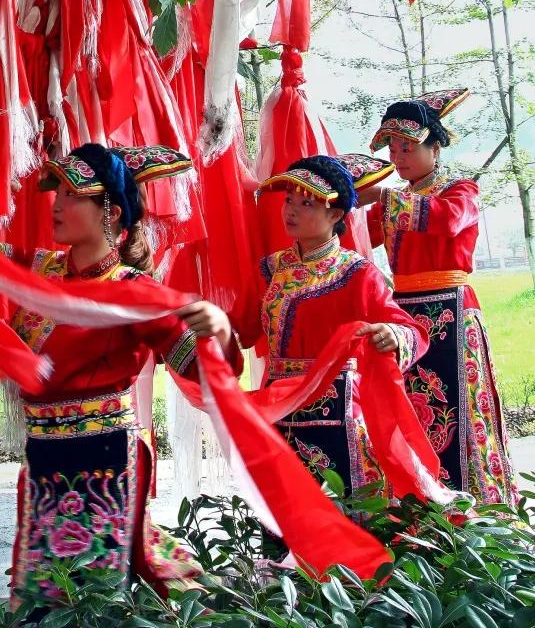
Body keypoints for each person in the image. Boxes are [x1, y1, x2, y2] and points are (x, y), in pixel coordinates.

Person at [9, 142, 236, 600]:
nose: (57, 204)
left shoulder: (134, 293)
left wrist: (223, 333)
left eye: (72, 195)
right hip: (42, 456)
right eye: (59, 193)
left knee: (90, 597)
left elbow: (202, 370)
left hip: (102, 459)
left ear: (109, 212)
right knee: (39, 591)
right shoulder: (44, 270)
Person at [183, 152, 427, 496]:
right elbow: (242, 329)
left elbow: (411, 330)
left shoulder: (357, 273)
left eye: (307, 203)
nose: (291, 210)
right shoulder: (269, 270)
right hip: (278, 408)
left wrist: (392, 334)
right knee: (286, 508)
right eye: (288, 200)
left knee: (345, 506)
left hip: (338, 410)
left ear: (336, 214)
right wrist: (207, 327)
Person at [358, 88, 517, 507]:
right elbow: (356, 239)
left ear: (435, 146)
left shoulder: (460, 190)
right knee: (408, 408)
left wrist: (384, 197)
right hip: (402, 319)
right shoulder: (391, 204)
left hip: (452, 310)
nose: (398, 157)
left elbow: (447, 223)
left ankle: (476, 503)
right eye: (393, 148)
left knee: (461, 411)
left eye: (408, 147)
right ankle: (418, 503)